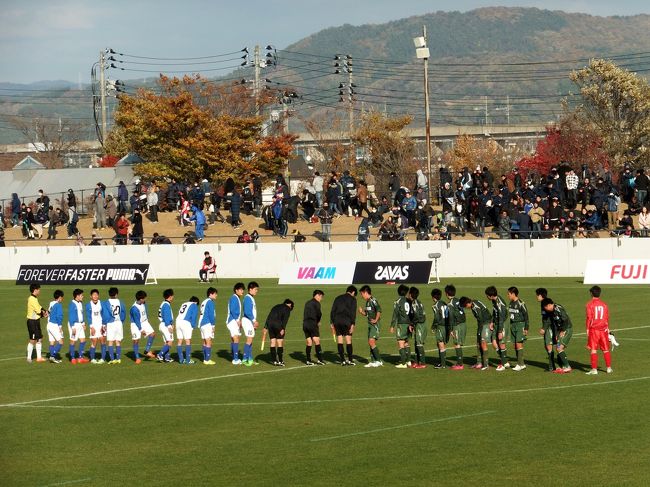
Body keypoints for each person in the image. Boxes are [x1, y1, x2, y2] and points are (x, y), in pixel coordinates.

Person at [585, 286, 613, 375]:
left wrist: (587, 328)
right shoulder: (604, 305)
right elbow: (607, 317)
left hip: (594, 330)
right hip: (604, 329)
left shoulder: (589, 304)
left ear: (591, 293)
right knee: (605, 349)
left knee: (593, 349)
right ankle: (609, 368)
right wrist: (608, 328)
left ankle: (594, 369)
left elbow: (589, 318)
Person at [541, 298, 573, 374]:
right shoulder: (551, 311)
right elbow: (556, 324)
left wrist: (562, 330)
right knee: (558, 347)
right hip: (560, 331)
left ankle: (567, 366)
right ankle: (564, 366)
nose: (545, 310)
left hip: (567, 329)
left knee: (559, 348)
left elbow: (565, 319)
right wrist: (557, 333)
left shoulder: (558, 309)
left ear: (549, 305)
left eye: (545, 308)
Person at [460, 296, 492, 371]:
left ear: (468, 303)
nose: (465, 307)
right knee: (478, 343)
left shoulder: (475, 307)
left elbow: (481, 319)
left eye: (465, 306)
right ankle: (479, 363)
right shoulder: (474, 303)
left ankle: (486, 364)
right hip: (482, 324)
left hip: (486, 323)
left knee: (483, 343)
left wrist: (480, 330)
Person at [330, 285, 358, 366]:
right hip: (347, 321)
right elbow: (353, 312)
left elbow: (333, 311)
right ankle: (350, 360)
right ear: (353, 292)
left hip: (337, 321)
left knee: (339, 339)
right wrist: (353, 324)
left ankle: (342, 360)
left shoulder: (337, 298)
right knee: (348, 340)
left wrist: (331, 322)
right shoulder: (353, 299)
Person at [485, 286, 509, 371]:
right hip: (496, 323)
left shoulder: (500, 304)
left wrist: (500, 331)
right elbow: (494, 312)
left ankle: (502, 365)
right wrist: (492, 321)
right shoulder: (494, 300)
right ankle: (505, 361)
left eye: (487, 295)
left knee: (501, 343)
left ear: (491, 295)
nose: (486, 297)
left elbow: (502, 318)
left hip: (502, 324)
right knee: (494, 342)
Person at [265, 299, 295, 366]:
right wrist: (282, 328)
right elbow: (285, 320)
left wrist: (265, 327)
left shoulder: (276, 306)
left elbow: (269, 316)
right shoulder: (287, 308)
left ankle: (274, 361)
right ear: (290, 305)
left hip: (270, 324)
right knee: (279, 342)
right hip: (278, 326)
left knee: (272, 342)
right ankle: (280, 361)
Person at [129, 290, 156, 364]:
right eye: (144, 298)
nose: (145, 300)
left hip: (144, 322)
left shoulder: (143, 303)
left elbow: (145, 311)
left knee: (153, 334)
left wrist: (146, 320)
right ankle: (137, 357)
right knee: (136, 341)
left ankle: (147, 351)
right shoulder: (134, 308)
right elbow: (137, 320)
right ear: (140, 299)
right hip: (135, 324)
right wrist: (141, 330)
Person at [358, 285, 382, 368]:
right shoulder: (367, 302)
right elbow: (366, 314)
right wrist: (361, 312)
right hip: (370, 325)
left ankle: (379, 360)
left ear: (365, 292)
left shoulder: (373, 300)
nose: (361, 296)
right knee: (370, 342)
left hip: (375, 325)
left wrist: (376, 319)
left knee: (371, 341)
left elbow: (379, 310)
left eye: (362, 294)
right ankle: (373, 361)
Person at [390, 284, 412, 368]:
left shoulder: (397, 301)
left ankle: (403, 363)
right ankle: (409, 361)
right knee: (406, 342)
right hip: (409, 324)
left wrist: (392, 326)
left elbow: (395, 314)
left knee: (400, 342)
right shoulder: (409, 301)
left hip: (402, 324)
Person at [507, 286, 529, 371]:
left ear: (513, 294)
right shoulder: (511, 303)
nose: (508, 295)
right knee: (514, 345)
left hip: (520, 325)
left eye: (508, 294)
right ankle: (521, 363)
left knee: (518, 344)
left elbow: (526, 316)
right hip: (513, 325)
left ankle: (520, 364)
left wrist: (526, 328)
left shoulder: (521, 303)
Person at [445, 284, 466, 370]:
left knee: (457, 344)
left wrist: (450, 329)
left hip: (456, 325)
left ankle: (460, 364)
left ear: (446, 294)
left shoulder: (450, 304)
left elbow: (451, 317)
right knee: (459, 344)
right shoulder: (458, 300)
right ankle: (459, 362)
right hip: (463, 324)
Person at [103, 287, 126, 364]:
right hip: (118, 323)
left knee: (110, 341)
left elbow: (105, 314)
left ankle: (112, 359)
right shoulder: (120, 302)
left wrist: (104, 323)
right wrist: (121, 321)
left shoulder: (106, 303)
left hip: (111, 323)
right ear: (116, 294)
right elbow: (123, 313)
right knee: (118, 341)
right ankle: (118, 358)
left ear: (109, 294)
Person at [536, 288, 557, 371]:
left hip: (550, 327)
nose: (536, 297)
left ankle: (552, 366)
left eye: (537, 295)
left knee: (549, 345)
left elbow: (549, 318)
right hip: (547, 327)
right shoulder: (543, 303)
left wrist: (544, 328)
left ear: (541, 295)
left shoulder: (546, 304)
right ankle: (553, 365)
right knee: (547, 346)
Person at [26, 283, 47, 363]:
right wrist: (45, 314)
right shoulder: (32, 299)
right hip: (32, 322)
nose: (39, 291)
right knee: (32, 340)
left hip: (36, 321)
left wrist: (45, 311)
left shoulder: (34, 298)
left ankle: (39, 357)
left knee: (40, 338)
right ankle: (29, 358)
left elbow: (40, 307)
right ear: (35, 290)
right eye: (39, 289)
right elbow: (38, 311)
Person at [303, 290, 325, 365]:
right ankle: (320, 359)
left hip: (305, 324)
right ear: (317, 295)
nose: (321, 299)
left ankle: (308, 360)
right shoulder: (316, 303)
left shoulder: (307, 302)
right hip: (312, 323)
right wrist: (318, 321)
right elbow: (319, 314)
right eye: (321, 297)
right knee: (317, 341)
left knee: (309, 342)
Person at [176, 296, 200, 365]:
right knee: (187, 340)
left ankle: (181, 359)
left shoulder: (184, 304)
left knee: (179, 340)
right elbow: (194, 316)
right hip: (186, 323)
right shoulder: (194, 305)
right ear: (195, 302)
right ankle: (188, 360)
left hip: (178, 321)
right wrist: (193, 326)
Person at [67, 289, 89, 364]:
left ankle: (80, 357)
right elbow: (71, 316)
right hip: (74, 325)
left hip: (80, 325)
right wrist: (73, 327)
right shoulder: (72, 304)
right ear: (77, 296)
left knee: (83, 340)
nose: (83, 296)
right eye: (81, 295)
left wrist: (83, 324)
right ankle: (72, 358)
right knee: (73, 341)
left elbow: (81, 314)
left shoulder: (80, 303)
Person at [86, 289, 107, 364]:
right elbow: (88, 317)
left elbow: (104, 314)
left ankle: (103, 358)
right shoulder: (88, 305)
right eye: (93, 295)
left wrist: (104, 325)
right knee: (94, 341)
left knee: (102, 340)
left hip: (101, 325)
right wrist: (91, 327)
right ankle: (92, 358)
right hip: (93, 325)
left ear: (98, 296)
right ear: (91, 296)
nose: (95, 296)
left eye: (96, 295)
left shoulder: (102, 303)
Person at [226, 282, 245, 365]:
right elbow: (233, 310)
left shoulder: (236, 298)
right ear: (236, 290)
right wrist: (238, 320)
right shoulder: (234, 298)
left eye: (243, 290)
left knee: (235, 338)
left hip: (233, 320)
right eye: (241, 290)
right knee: (236, 338)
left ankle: (234, 356)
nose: (242, 291)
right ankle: (235, 359)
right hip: (232, 320)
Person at [241, 281, 260, 366]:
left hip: (250, 322)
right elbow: (247, 311)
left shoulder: (250, 298)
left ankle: (250, 358)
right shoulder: (248, 298)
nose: (256, 291)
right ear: (250, 289)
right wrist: (254, 321)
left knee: (250, 340)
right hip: (247, 321)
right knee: (249, 340)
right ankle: (245, 359)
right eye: (255, 289)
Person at [409, 287, 427, 368]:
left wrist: (411, 324)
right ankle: (416, 361)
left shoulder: (415, 303)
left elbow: (416, 315)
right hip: (419, 324)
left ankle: (422, 363)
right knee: (416, 343)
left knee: (419, 344)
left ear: (411, 294)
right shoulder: (418, 302)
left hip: (420, 324)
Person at [430, 288, 449, 369]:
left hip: (441, 326)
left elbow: (437, 317)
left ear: (433, 297)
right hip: (447, 325)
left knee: (440, 343)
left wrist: (433, 327)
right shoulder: (444, 303)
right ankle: (441, 361)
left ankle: (443, 364)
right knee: (441, 343)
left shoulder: (435, 305)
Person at [199, 287, 218, 365]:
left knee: (204, 341)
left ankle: (205, 358)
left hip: (201, 323)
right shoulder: (210, 302)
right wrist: (213, 325)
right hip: (207, 323)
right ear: (210, 294)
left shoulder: (204, 301)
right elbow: (211, 315)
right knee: (208, 341)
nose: (216, 295)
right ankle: (207, 359)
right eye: (215, 294)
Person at [156, 289, 175, 363]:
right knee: (170, 342)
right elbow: (167, 316)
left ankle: (167, 358)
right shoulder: (166, 305)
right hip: (165, 325)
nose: (173, 297)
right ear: (170, 296)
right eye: (172, 296)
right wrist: (169, 326)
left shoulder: (163, 303)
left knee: (166, 342)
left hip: (162, 324)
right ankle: (160, 355)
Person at [46, 290, 65, 363]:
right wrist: (60, 327)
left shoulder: (51, 303)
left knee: (52, 342)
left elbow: (48, 312)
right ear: (59, 297)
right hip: (54, 325)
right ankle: (52, 356)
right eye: (62, 297)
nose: (62, 299)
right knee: (60, 342)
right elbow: (59, 316)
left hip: (49, 325)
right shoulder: (59, 305)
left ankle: (52, 357)